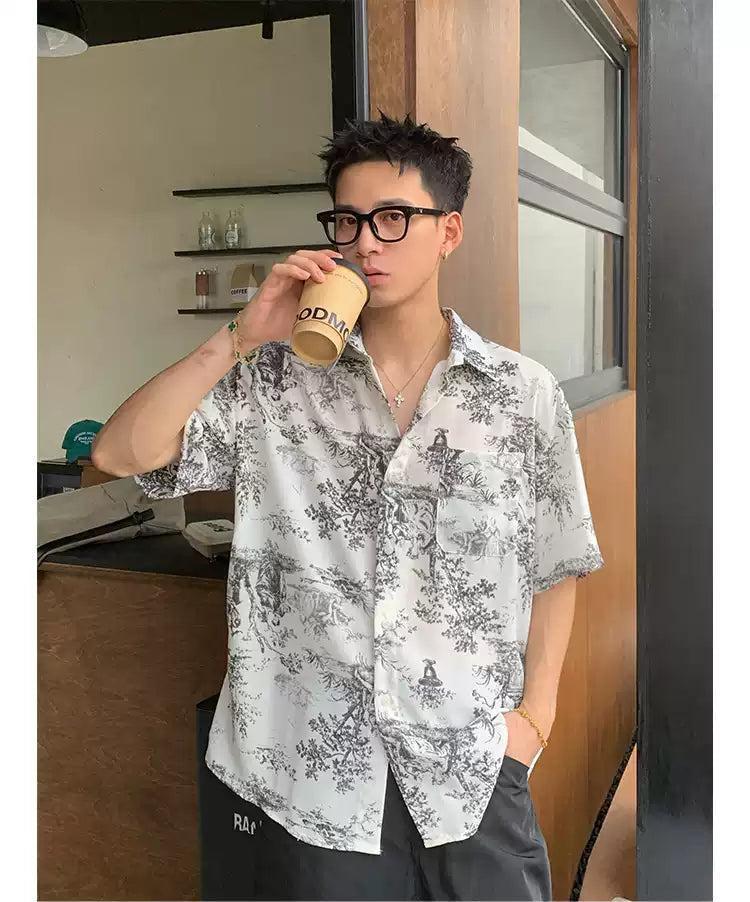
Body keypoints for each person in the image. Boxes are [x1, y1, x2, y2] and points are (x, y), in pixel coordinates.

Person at [92, 112, 604, 901]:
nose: (366, 242)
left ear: (449, 231)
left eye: (394, 218)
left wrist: (534, 721)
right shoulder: (271, 384)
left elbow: (557, 559)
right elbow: (121, 454)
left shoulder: (519, 395)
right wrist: (239, 336)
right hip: (311, 779)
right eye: (348, 221)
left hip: (470, 771)